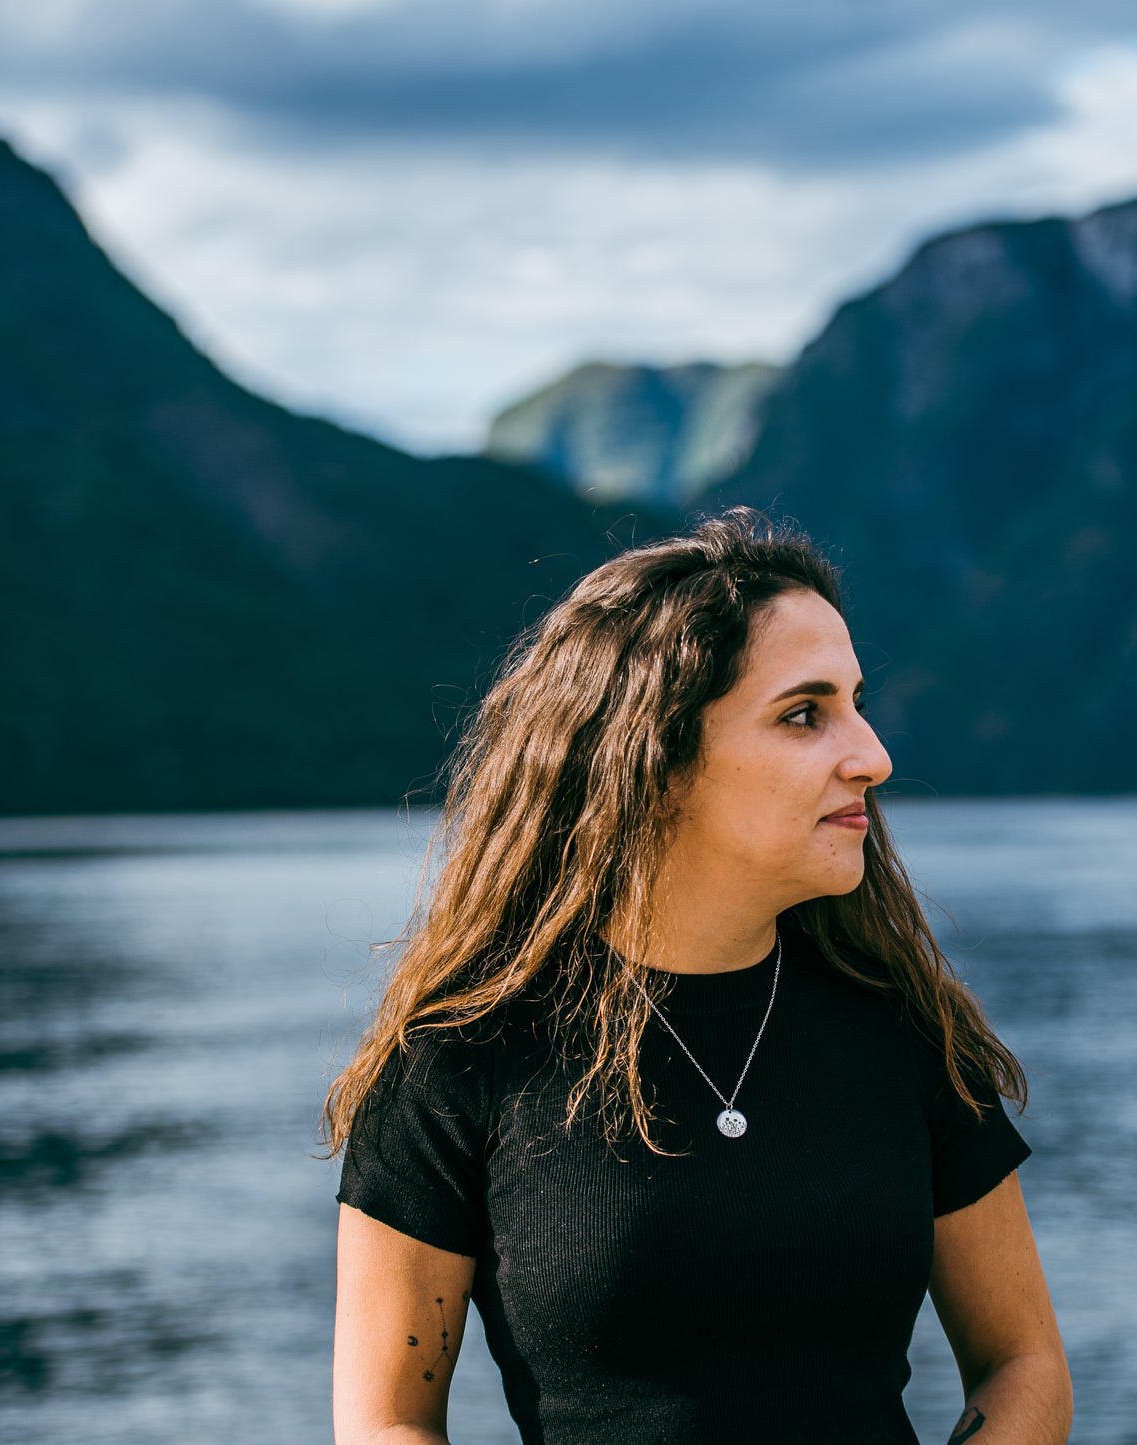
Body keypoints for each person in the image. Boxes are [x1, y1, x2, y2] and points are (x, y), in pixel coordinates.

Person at [325, 507, 1072, 1445]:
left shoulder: (903, 1033)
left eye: (855, 703)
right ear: (657, 755)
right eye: (805, 714)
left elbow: (1024, 1364)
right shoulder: (459, 1063)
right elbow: (387, 1423)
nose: (872, 756)